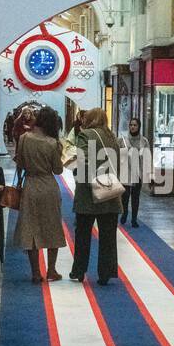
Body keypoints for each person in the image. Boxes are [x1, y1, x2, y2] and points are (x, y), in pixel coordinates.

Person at [69, 107, 122, 285]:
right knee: (108, 237)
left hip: (88, 193)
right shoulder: (112, 137)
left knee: (83, 234)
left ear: (89, 119)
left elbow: (82, 160)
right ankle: (105, 273)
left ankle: (79, 271)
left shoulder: (86, 135)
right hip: (110, 192)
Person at [13, 107, 66, 283]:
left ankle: (35, 272)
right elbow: (57, 170)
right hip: (48, 187)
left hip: (30, 186)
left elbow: (20, 163)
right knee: (52, 227)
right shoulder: (52, 143)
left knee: (31, 228)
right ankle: (52, 270)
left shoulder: (23, 138)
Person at [119, 117, 149, 227]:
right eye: (131, 125)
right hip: (125, 172)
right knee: (125, 197)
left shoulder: (144, 141)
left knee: (135, 197)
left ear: (139, 127)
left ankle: (134, 219)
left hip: (138, 172)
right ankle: (125, 213)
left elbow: (146, 157)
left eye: (135, 125)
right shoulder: (122, 140)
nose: (132, 127)